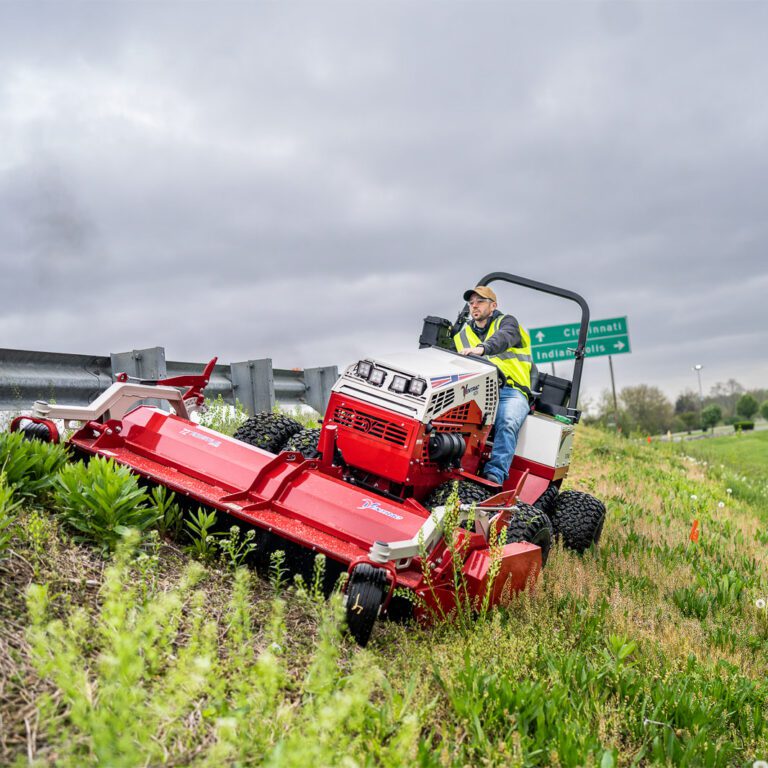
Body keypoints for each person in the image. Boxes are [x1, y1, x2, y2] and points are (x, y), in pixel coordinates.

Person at [454, 285, 533, 486]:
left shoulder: (507, 323)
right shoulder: (462, 335)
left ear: (493, 305)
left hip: (511, 391)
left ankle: (494, 475)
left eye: (480, 302)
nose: (474, 306)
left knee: (507, 421)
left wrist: (482, 349)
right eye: (471, 303)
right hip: (478, 390)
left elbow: (504, 337)